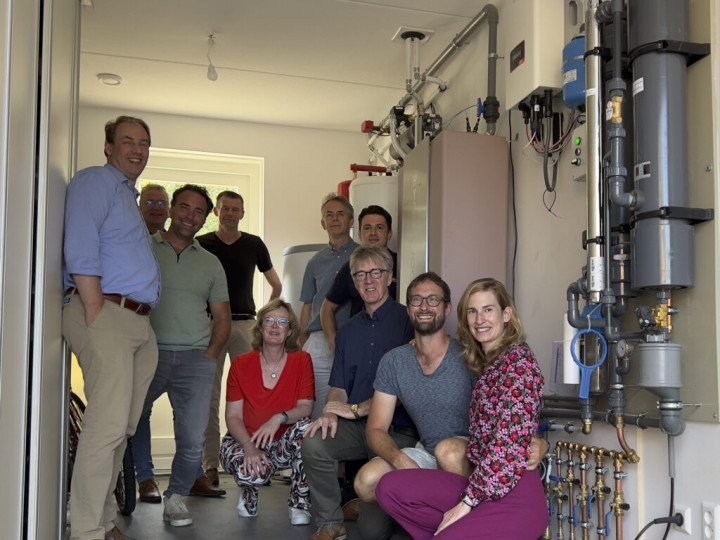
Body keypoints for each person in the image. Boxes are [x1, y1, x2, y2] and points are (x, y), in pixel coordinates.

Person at [375, 278, 548, 539]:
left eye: (488, 310)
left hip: (514, 497)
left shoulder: (518, 362)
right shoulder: (486, 362)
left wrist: (466, 503)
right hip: (481, 483)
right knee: (389, 487)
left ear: (506, 315)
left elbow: (507, 445)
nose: (480, 319)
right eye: (472, 311)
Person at [62, 115, 160, 540]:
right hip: (108, 313)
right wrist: (94, 307)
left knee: (121, 430)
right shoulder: (95, 181)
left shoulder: (127, 197)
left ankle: (104, 523)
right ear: (108, 147)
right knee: (105, 428)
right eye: (127, 141)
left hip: (137, 322)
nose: (137, 149)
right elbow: (80, 244)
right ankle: (86, 530)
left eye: (144, 143)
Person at [302, 246, 414, 540]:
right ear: (354, 282)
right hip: (356, 428)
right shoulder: (347, 332)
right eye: (360, 275)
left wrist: (359, 409)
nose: (368, 280)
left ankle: (368, 504)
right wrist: (330, 412)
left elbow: (408, 385)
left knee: (373, 532)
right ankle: (331, 522)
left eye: (376, 272)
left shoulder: (409, 321)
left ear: (389, 277)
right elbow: (338, 389)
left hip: (396, 432)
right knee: (314, 441)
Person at [137, 184, 231, 527]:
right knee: (128, 422)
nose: (191, 216)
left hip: (195, 359)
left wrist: (210, 354)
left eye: (199, 211)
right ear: (172, 209)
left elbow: (222, 316)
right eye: (185, 207)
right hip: (147, 353)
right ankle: (138, 479)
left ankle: (175, 497)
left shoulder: (211, 263)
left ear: (205, 219)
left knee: (192, 439)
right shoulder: (143, 247)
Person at [194, 190, 282, 492]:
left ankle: (257, 461)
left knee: (254, 396)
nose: (230, 213)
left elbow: (276, 284)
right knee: (209, 396)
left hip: (245, 325)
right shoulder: (201, 243)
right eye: (226, 208)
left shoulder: (254, 244)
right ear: (216, 212)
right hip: (211, 325)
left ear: (242, 213)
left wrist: (264, 319)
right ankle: (210, 466)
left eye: (236, 209)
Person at [220, 299, 315, 526]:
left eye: (282, 321)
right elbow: (233, 416)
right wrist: (249, 447)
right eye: (269, 320)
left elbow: (305, 407)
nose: (274, 326)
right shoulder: (241, 363)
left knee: (309, 428)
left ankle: (299, 504)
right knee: (250, 473)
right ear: (260, 327)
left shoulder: (302, 360)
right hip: (244, 440)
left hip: (282, 445)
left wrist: (278, 418)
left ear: (290, 330)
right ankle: (248, 495)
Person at [299, 194, 358, 418]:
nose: (334, 219)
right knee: (315, 408)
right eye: (329, 215)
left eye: (340, 214)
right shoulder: (314, 262)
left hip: (352, 339)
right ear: (323, 223)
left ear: (351, 221)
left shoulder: (362, 256)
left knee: (349, 402)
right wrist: (301, 343)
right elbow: (308, 305)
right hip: (319, 341)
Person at [132, 182, 169, 504]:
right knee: (138, 411)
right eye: (150, 201)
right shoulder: (129, 238)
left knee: (188, 414)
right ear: (140, 205)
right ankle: (145, 477)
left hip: (178, 344)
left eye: (161, 202)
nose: (156, 207)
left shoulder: (177, 244)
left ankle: (193, 473)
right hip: (137, 337)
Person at [319, 205, 397, 354]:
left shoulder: (402, 264)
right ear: (360, 234)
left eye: (379, 227)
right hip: (359, 345)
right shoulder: (350, 267)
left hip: (395, 344)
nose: (373, 233)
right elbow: (327, 308)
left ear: (389, 233)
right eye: (367, 228)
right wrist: (335, 344)